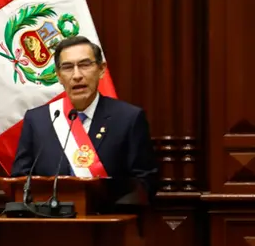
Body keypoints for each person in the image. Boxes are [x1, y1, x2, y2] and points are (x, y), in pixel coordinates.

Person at [10, 35, 158, 205]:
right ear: (58, 75)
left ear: (101, 69)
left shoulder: (128, 118)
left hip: (108, 225)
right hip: (50, 225)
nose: (76, 75)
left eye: (85, 65)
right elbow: (21, 181)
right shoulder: (37, 120)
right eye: (67, 67)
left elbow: (145, 182)